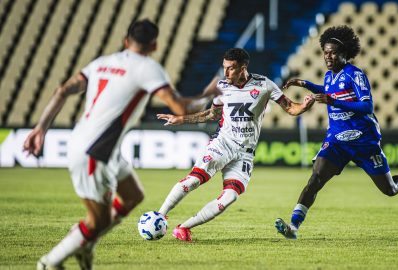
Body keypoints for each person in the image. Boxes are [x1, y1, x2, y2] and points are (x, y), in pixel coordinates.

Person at [24, 19, 216, 270]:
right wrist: (208, 94)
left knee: (132, 196)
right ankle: (49, 262)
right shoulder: (148, 68)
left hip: (98, 146)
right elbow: (180, 107)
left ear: (126, 41)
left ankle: (86, 245)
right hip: (94, 151)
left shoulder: (102, 63)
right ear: (155, 45)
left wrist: (40, 128)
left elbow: (62, 90)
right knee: (97, 222)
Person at [274, 25, 398, 240]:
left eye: (333, 52)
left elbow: (367, 107)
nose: (328, 56)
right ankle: (293, 226)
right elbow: (328, 91)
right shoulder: (329, 76)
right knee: (316, 178)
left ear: (345, 53)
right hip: (337, 140)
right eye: (325, 52)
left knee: (390, 190)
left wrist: (333, 101)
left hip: (363, 140)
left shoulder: (355, 75)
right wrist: (305, 84)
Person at [156, 48, 315, 242]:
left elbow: (290, 107)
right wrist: (180, 119)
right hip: (222, 143)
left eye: (230, 68)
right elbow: (211, 115)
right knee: (195, 179)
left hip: (245, 153)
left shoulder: (265, 85)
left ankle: (184, 228)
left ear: (243, 68)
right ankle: (159, 215)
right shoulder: (222, 87)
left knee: (230, 196)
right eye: (224, 68)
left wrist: (304, 106)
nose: (226, 73)